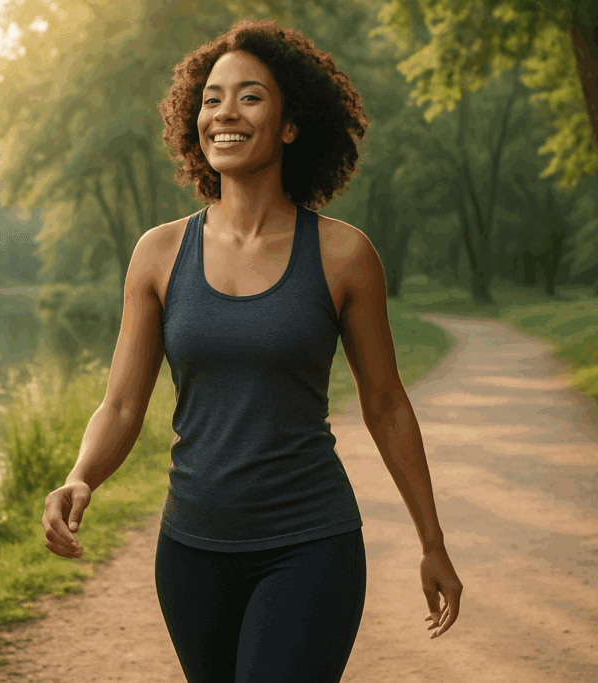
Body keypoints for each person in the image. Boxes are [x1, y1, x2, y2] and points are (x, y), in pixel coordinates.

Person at [42, 18, 463, 682]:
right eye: (211, 98)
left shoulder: (344, 255)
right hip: (190, 551)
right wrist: (80, 476)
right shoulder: (158, 254)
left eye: (250, 96)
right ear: (193, 120)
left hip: (311, 545)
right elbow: (122, 404)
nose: (224, 112)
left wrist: (432, 541)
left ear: (291, 124)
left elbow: (385, 405)